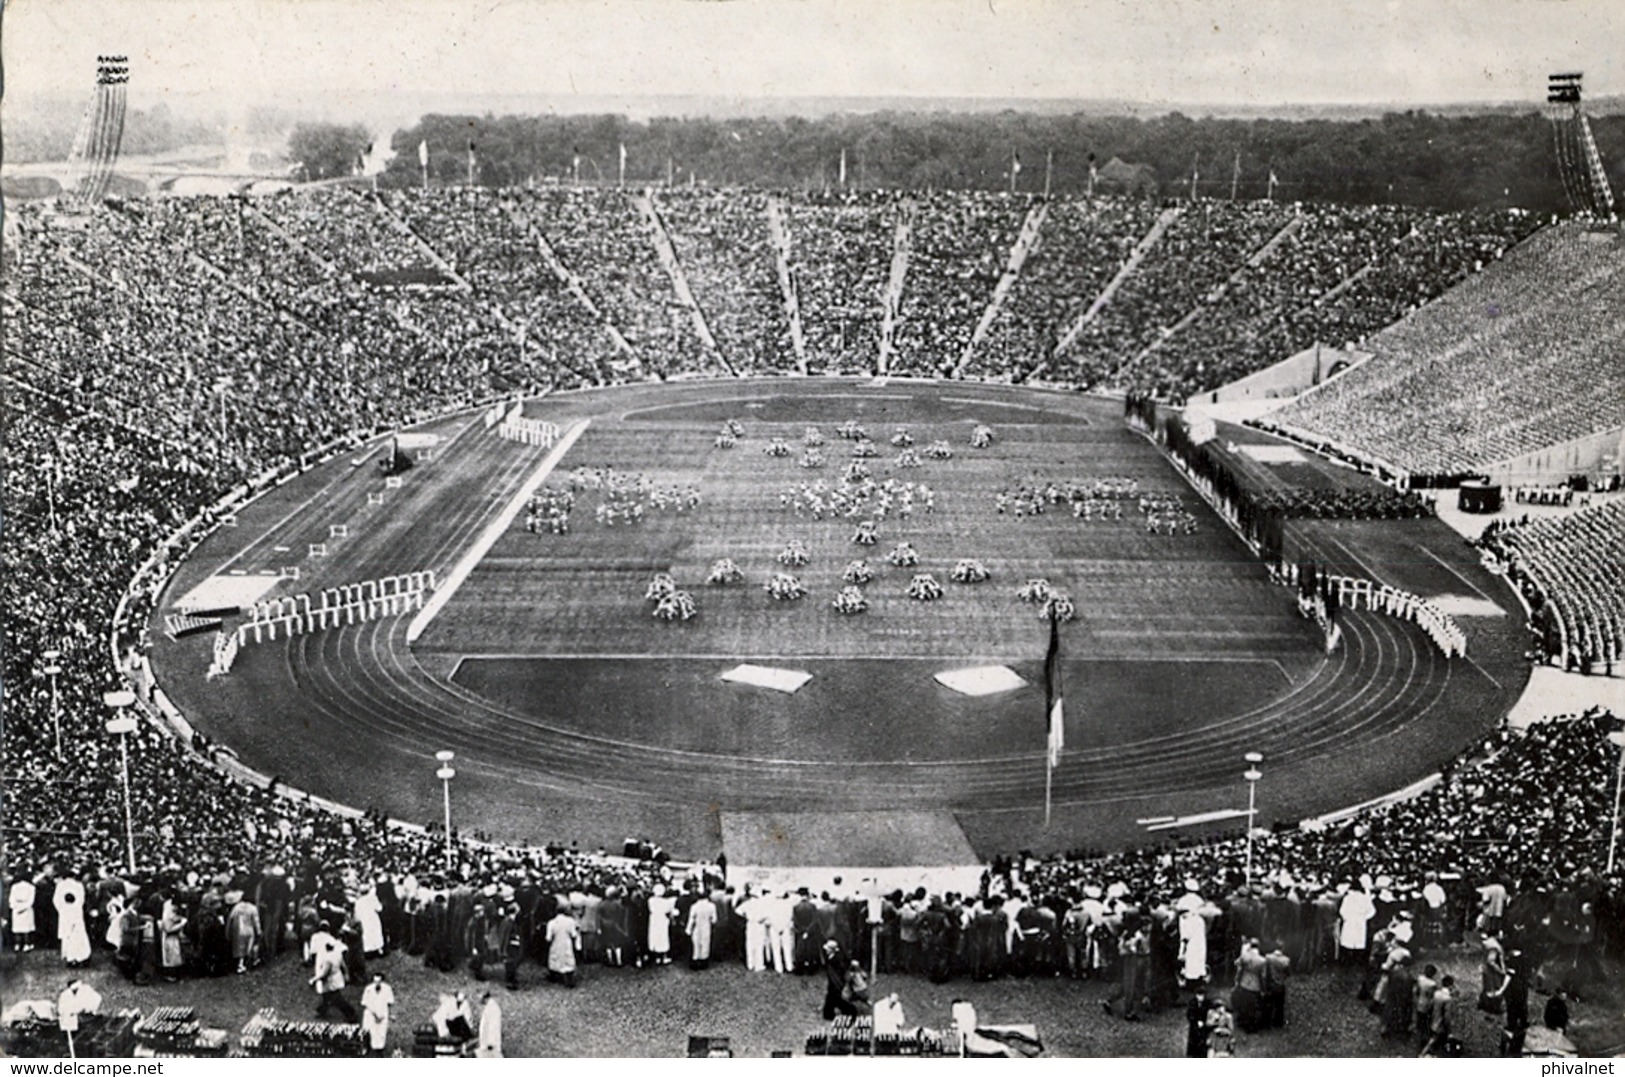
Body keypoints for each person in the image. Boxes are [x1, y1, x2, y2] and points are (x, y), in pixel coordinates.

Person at [312, 937, 358, 1022]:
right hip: (337, 977)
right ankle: (321, 1010)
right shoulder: (337, 954)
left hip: (330, 981)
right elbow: (343, 966)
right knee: (326, 996)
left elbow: (324, 973)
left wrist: (314, 980)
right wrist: (346, 974)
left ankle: (351, 1013)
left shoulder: (328, 959)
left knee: (337, 999)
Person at [545, 903, 580, 988]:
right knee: (568, 959)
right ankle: (569, 979)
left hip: (556, 943)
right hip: (566, 943)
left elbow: (548, 938)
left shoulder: (552, 922)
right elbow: (574, 934)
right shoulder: (570, 921)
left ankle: (554, 975)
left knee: (555, 958)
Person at [227, 891, 262, 974]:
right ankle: (248, 964)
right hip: (249, 930)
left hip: (238, 930)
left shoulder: (236, 907)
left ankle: (240, 964)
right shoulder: (253, 908)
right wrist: (259, 931)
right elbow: (256, 921)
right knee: (248, 948)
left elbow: (230, 919)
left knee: (239, 948)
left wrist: (228, 931)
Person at [1421, 974, 1455, 1057]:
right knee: (1434, 1040)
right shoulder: (1448, 998)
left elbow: (1430, 1006)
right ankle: (1422, 1054)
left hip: (1433, 1020)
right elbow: (1447, 1016)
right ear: (1450, 986)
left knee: (1434, 1040)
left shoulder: (1436, 993)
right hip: (1440, 1025)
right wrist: (1449, 1030)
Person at [360, 972, 394, 1055]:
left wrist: (390, 1015)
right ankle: (366, 1047)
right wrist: (374, 1015)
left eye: (379, 981)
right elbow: (365, 1003)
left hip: (382, 1013)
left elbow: (390, 1003)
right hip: (371, 1014)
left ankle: (379, 1051)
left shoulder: (387, 989)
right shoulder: (368, 989)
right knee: (368, 1031)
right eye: (375, 981)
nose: (377, 984)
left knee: (381, 1032)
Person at [1261, 939, 1291, 1029]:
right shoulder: (1286, 960)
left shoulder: (1268, 957)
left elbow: (1265, 972)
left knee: (1268, 1005)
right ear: (1283, 948)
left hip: (1270, 985)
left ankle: (1266, 1023)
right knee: (1279, 1006)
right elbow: (1287, 973)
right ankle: (1278, 1024)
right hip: (1281, 986)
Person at [686, 889, 717, 971]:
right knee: (705, 943)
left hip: (697, 926)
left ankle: (695, 961)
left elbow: (691, 919)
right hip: (706, 925)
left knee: (696, 943)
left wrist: (688, 929)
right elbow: (714, 919)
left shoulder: (694, 906)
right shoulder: (711, 906)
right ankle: (704, 962)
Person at [9, 873, 38, 952]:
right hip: (21, 908)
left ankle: (26, 944)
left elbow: (30, 901)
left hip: (22, 909)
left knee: (25, 928)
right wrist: (18, 907)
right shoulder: (15, 887)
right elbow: (12, 899)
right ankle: (19, 944)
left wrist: (18, 908)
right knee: (19, 928)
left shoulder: (31, 887)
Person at [476, 991, 503, 1058]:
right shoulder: (489, 1007)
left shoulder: (493, 1008)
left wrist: (490, 1043)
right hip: (486, 1045)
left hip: (490, 1046)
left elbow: (493, 1027)